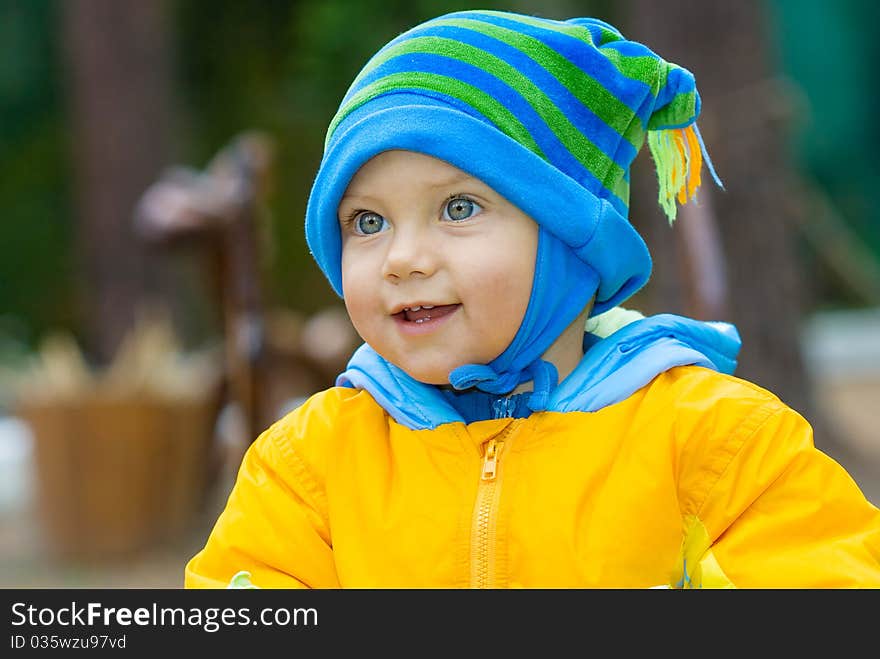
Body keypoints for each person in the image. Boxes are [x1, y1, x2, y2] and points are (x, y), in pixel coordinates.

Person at [184, 9, 880, 588]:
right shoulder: (312, 465)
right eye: (367, 222)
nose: (402, 258)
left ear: (571, 241)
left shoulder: (712, 442)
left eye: (458, 207)